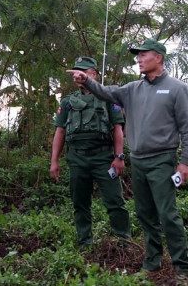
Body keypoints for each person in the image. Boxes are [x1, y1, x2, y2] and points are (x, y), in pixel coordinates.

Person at [66, 39, 188, 279]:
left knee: (168, 214)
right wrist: (87, 81)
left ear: (158, 57)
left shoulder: (177, 88)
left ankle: (183, 267)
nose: (138, 59)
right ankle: (152, 260)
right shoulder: (132, 89)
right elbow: (106, 92)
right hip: (139, 161)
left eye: (143, 55)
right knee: (145, 213)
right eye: (138, 56)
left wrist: (186, 161)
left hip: (162, 160)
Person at [50, 56, 131, 246]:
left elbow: (117, 128)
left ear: (93, 74)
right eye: (76, 72)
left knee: (114, 201)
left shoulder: (108, 98)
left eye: (83, 72)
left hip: (104, 157)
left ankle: (123, 242)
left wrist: (119, 156)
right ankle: (84, 241)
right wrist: (54, 161)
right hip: (77, 158)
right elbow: (60, 131)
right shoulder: (68, 102)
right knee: (80, 203)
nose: (78, 75)